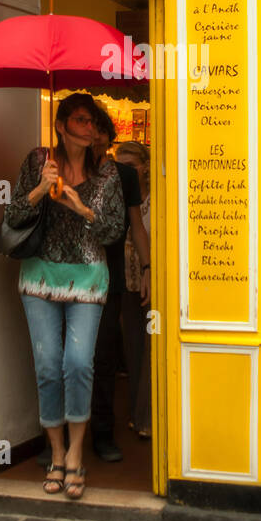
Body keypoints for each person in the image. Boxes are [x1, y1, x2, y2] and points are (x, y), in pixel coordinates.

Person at [4, 92, 124, 500]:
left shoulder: (108, 173)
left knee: (77, 363)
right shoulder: (39, 161)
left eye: (93, 122)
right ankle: (55, 451)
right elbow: (12, 216)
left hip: (88, 278)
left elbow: (113, 231)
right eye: (80, 120)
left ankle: (76, 451)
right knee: (48, 365)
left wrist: (81, 208)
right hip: (39, 276)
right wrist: (41, 188)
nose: (90, 129)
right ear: (61, 125)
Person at [89, 107, 149, 460]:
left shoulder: (124, 175)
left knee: (104, 356)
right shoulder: (64, 170)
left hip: (108, 278)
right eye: (84, 125)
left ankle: (102, 432)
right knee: (69, 360)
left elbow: (136, 226)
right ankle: (62, 435)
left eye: (97, 128)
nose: (92, 136)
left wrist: (147, 267)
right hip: (67, 276)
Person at [115, 138, 153, 437]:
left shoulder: (157, 201)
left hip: (150, 283)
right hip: (122, 284)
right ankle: (137, 415)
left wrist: (148, 269)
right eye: (119, 166)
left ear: (145, 167)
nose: (123, 172)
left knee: (150, 350)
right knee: (133, 350)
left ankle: (146, 419)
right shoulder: (116, 201)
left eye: (129, 166)